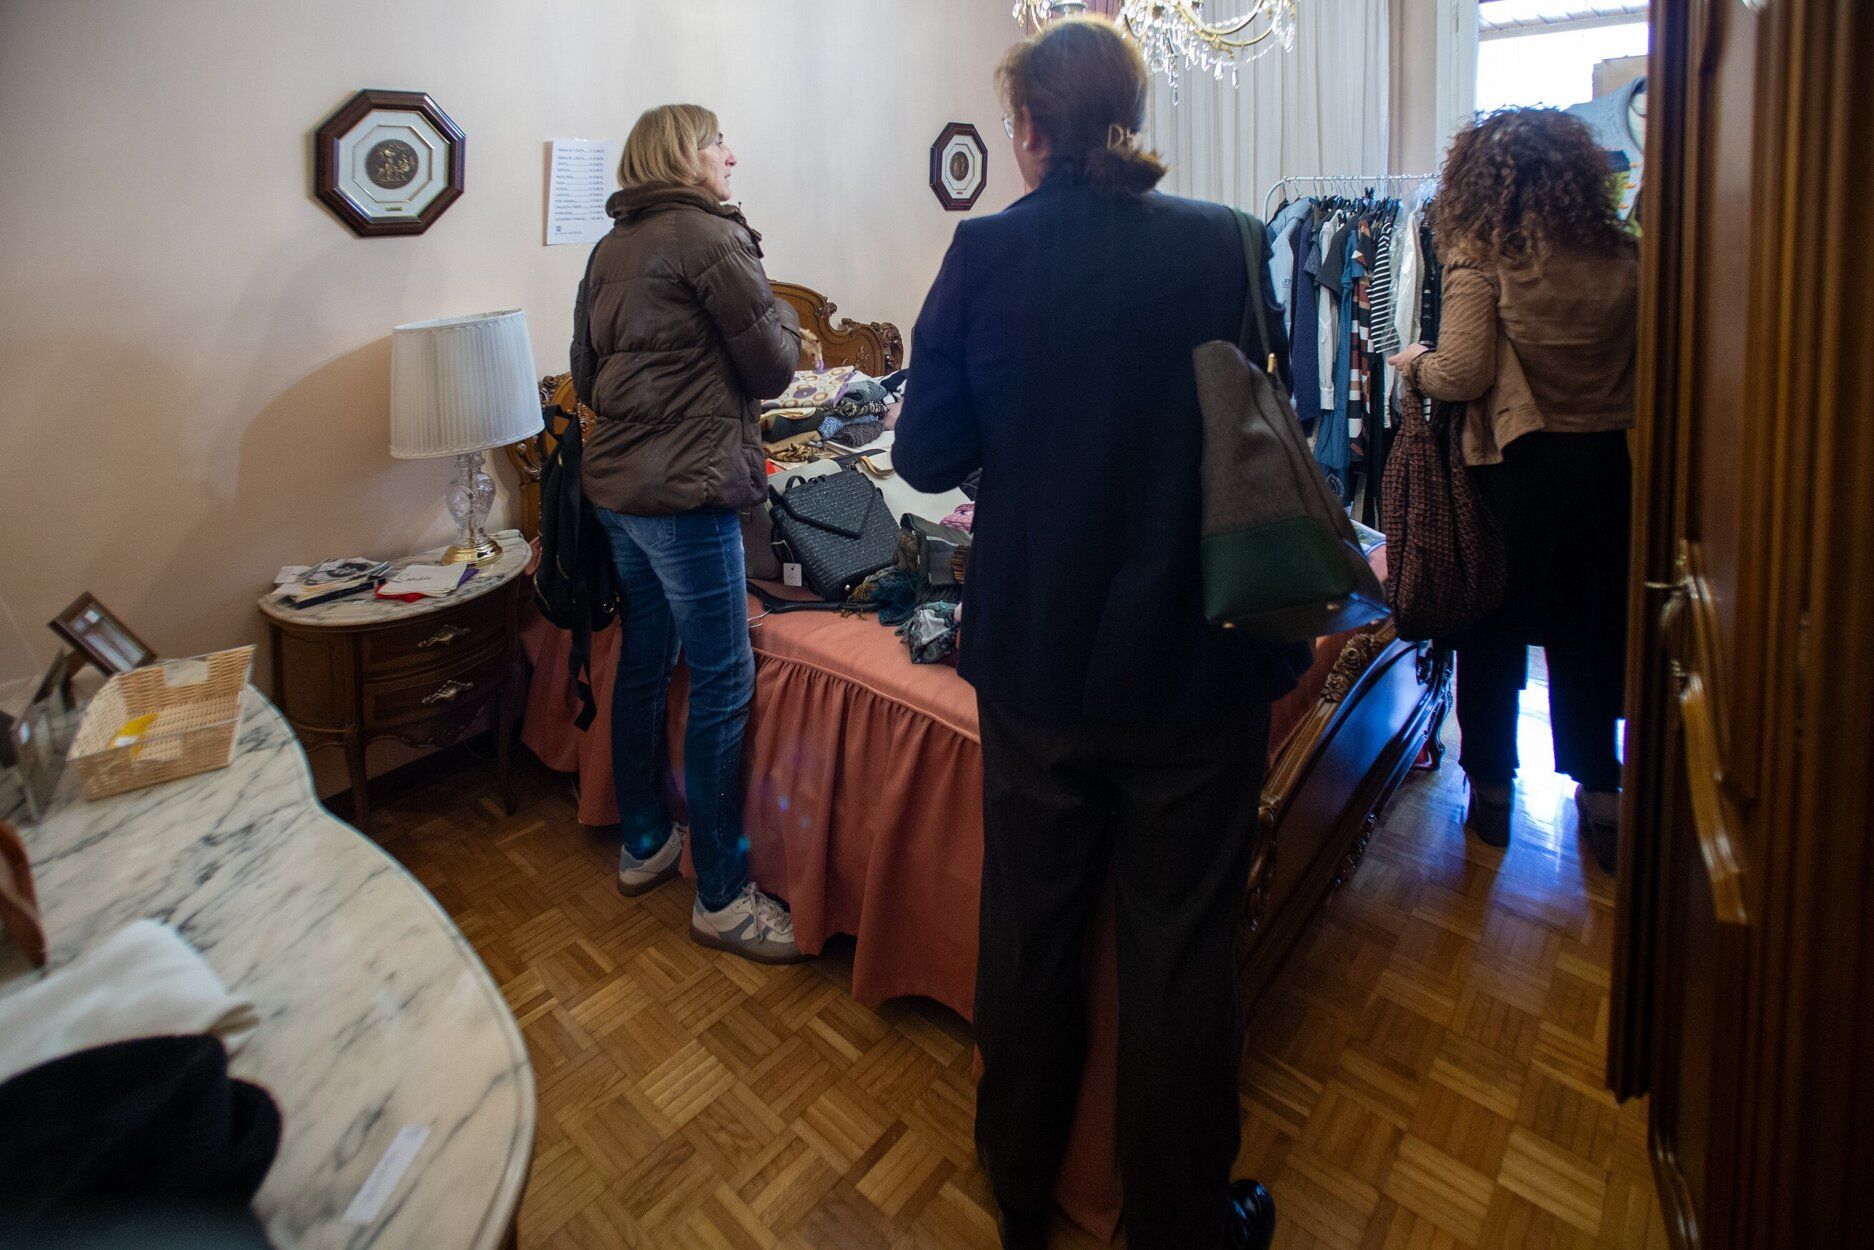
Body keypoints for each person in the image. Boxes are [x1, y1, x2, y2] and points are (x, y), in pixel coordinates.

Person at [894, 18, 1300, 1250]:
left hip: (1039, 658)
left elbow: (923, 455)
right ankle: (1178, 1218)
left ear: (1026, 132)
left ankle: (1021, 1190)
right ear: (1131, 117)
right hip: (1197, 657)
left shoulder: (982, 253)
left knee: (1029, 930)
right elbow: (1252, 426)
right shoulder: (1227, 243)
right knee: (1181, 955)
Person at [571, 103, 807, 963]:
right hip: (688, 493)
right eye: (719, 144)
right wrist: (782, 316)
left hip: (619, 495)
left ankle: (644, 843)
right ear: (685, 155)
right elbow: (775, 365)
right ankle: (721, 894)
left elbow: (585, 378)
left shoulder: (610, 249)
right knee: (723, 678)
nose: (731, 156)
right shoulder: (709, 239)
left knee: (645, 657)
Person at [1388, 108, 1639, 870]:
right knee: (1588, 631)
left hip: (1514, 470)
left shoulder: (1483, 254)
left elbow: (1463, 371)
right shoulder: (1626, 256)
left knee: (1491, 626)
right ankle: (1601, 793)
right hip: (1605, 469)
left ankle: (1493, 792)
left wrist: (1413, 364)